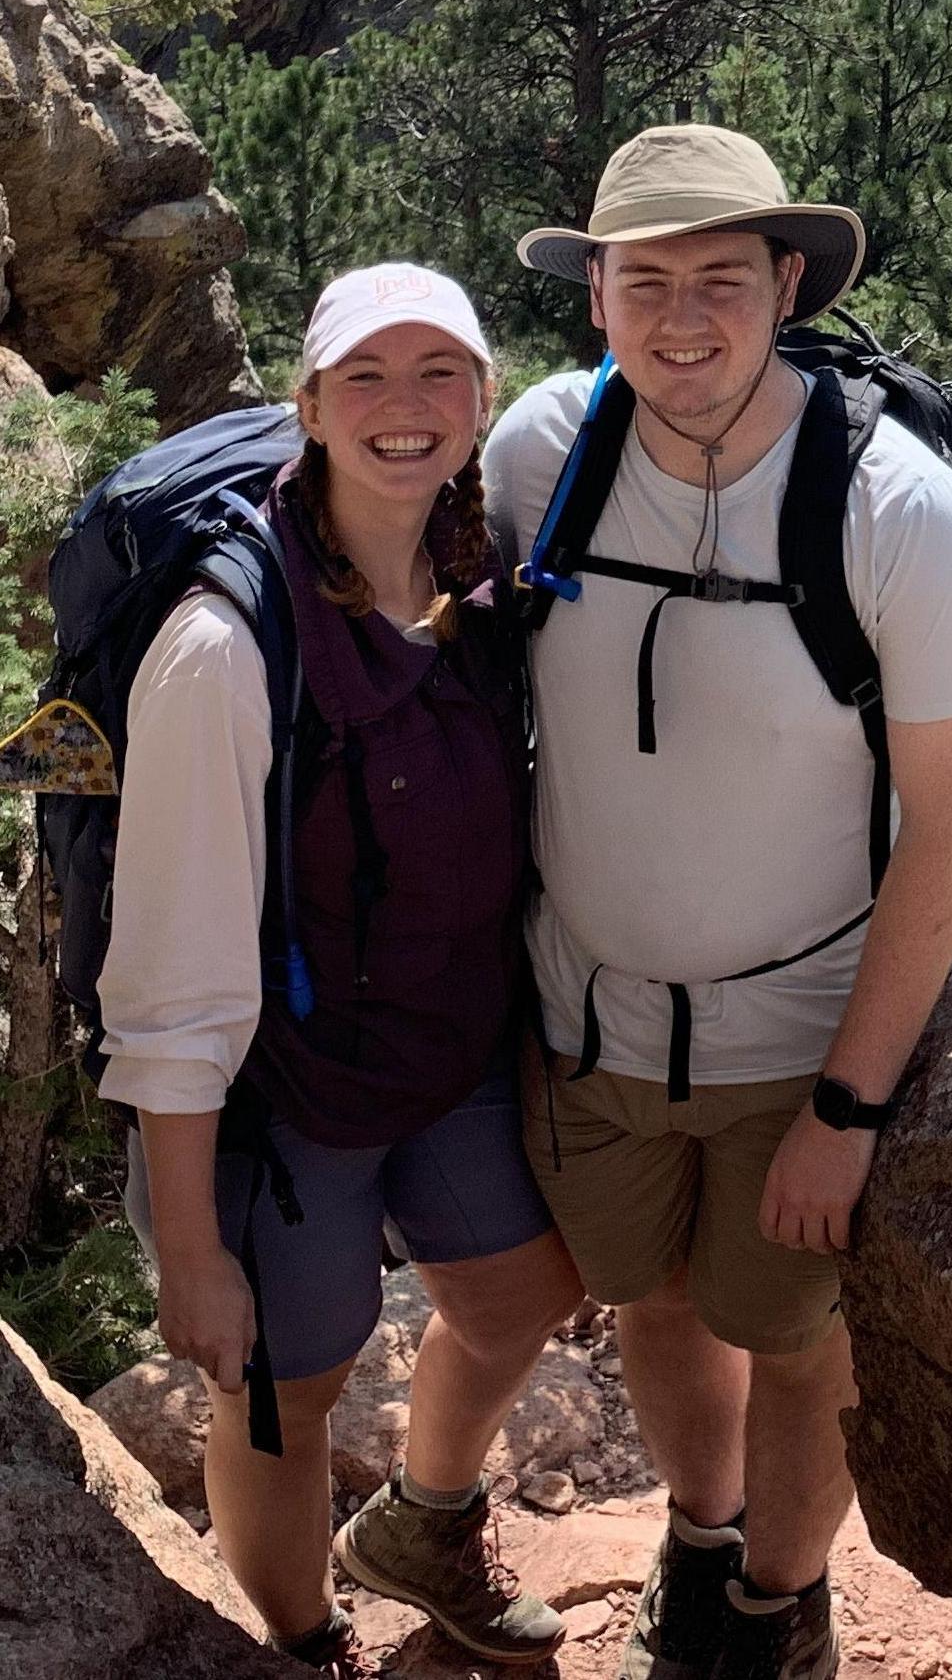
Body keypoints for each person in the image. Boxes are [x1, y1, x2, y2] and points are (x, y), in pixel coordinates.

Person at [490, 125, 952, 1680]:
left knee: (796, 1338)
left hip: (800, 1039)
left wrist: (849, 1109)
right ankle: (704, 1542)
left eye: (721, 277)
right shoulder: (541, 457)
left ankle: (780, 1608)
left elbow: (949, 830)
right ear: (596, 293)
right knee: (652, 1296)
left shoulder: (898, 513)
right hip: (589, 1021)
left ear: (787, 284)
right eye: (642, 279)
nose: (682, 317)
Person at [100, 265, 581, 1675]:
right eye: (366, 374)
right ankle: (304, 1644)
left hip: (442, 1051)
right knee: (284, 1394)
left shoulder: (482, 579)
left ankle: (423, 1523)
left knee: (520, 1293)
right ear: (306, 406)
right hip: (277, 1101)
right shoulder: (223, 645)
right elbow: (173, 976)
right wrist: (191, 1248)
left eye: (442, 371)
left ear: (482, 400)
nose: (406, 405)